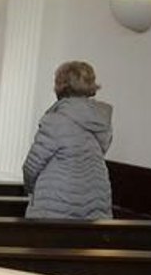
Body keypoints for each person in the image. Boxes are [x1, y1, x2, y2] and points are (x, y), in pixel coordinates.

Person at [23, 61, 114, 220]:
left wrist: (32, 189)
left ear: (61, 85)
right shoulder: (100, 120)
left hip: (55, 210)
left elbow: (32, 166)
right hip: (95, 209)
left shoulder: (56, 120)